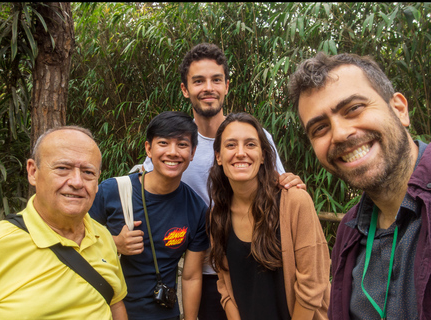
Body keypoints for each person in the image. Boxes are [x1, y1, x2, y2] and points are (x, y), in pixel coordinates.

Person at [143, 42, 306, 320]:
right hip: (202, 273)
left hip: (256, 268)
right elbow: (147, 199)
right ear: (185, 89)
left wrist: (291, 183)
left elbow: (278, 186)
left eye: (216, 80)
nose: (208, 87)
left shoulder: (250, 135)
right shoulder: (176, 145)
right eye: (198, 81)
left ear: (227, 86)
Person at [288, 52, 431, 319]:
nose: (340, 133)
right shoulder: (349, 232)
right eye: (320, 128)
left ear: (399, 109)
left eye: (353, 109)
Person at [0, 126, 128, 319]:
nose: (77, 182)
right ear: (33, 172)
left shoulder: (102, 236)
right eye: (62, 168)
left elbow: (114, 303)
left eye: (88, 172)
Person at [207, 112, 330, 320]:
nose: (240, 153)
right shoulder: (217, 216)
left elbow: (312, 284)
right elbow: (224, 283)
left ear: (263, 155)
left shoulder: (294, 202)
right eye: (230, 145)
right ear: (218, 156)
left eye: (250, 144)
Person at [90, 111, 209, 320]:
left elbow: (190, 276)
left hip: (164, 313)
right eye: (163, 143)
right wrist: (114, 243)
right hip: (108, 312)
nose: (172, 152)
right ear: (149, 149)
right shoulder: (111, 191)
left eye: (182, 144)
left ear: (192, 152)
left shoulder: (196, 208)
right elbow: (74, 247)